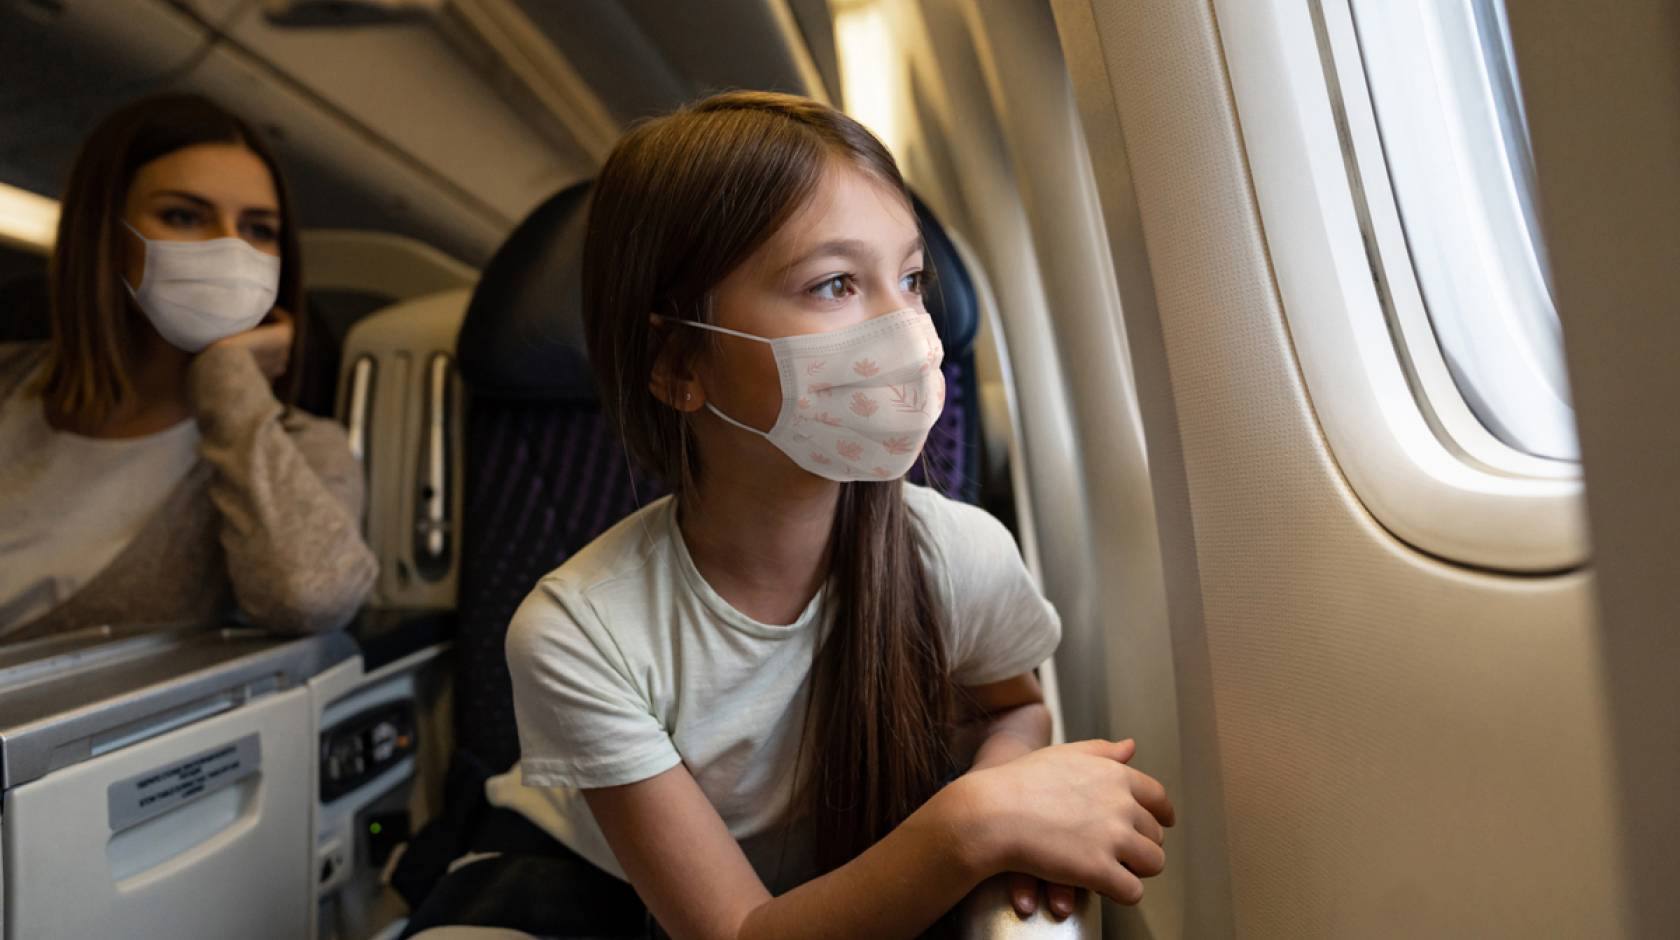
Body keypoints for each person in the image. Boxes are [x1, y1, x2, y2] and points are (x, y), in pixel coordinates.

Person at [494, 91, 1174, 939]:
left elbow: (1013, 706)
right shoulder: (579, 632)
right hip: (593, 887)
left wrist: (1000, 785)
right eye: (835, 284)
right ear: (675, 363)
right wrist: (975, 820)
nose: (907, 331)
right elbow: (739, 930)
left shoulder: (958, 553)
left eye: (913, 278)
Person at [0, 93, 377, 639]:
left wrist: (227, 381)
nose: (229, 249)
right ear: (105, 237)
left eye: (258, 229)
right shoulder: (9, 383)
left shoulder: (302, 448)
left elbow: (311, 599)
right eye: (184, 216)